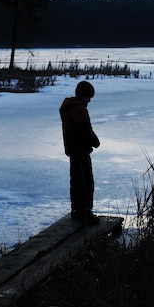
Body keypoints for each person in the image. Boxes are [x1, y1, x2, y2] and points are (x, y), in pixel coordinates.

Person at [59, 81, 101, 225]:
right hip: (80, 150)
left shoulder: (69, 107)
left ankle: (77, 210)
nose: (89, 101)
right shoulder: (79, 109)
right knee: (85, 182)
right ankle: (85, 213)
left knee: (76, 180)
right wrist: (95, 141)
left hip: (73, 149)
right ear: (84, 96)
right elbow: (85, 130)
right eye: (89, 97)